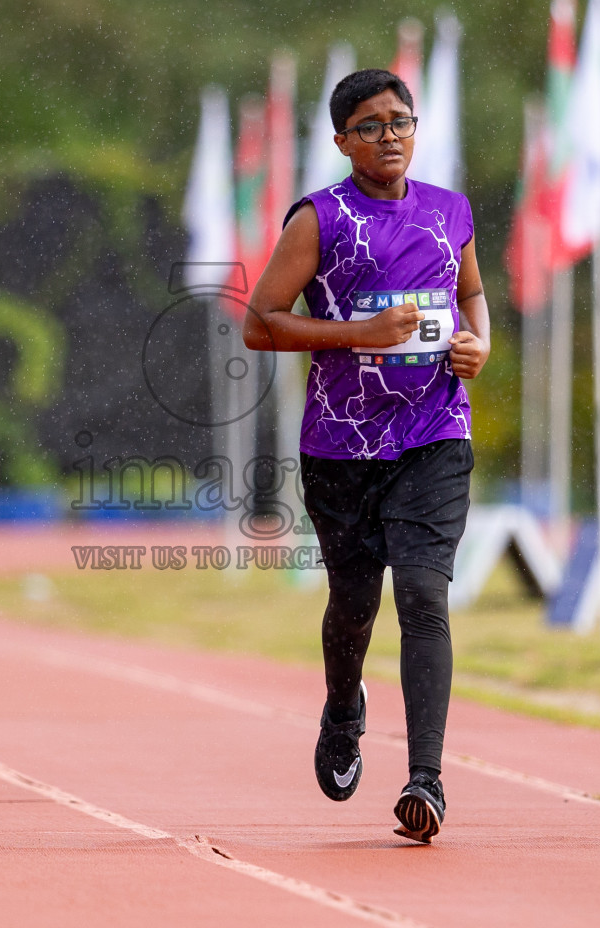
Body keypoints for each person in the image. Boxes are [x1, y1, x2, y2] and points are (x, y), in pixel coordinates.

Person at [243, 69, 489, 844]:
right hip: (341, 444)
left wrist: (480, 342)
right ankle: (344, 708)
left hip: (434, 431)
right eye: (372, 125)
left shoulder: (450, 212)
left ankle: (426, 780)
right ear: (344, 139)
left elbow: (472, 295)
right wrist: (357, 333)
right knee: (355, 604)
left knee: (423, 593)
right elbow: (260, 323)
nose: (390, 136)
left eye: (401, 121)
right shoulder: (320, 218)